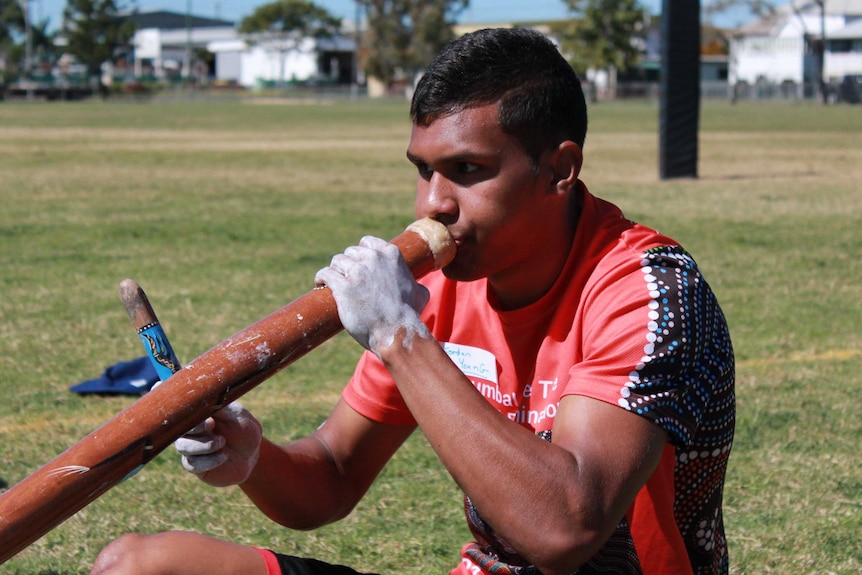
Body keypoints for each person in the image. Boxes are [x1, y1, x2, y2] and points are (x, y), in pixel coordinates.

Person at [90, 27, 735, 575]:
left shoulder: (646, 290)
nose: (434, 204)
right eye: (423, 170)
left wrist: (400, 335)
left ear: (560, 170)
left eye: (469, 170)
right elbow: (334, 475)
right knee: (137, 565)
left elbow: (565, 529)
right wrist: (250, 456)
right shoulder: (444, 288)